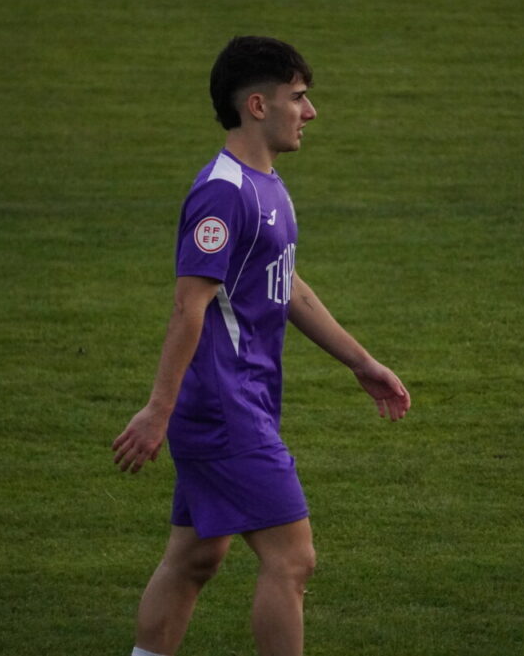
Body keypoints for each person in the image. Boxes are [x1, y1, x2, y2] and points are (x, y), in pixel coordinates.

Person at [112, 36, 410, 656]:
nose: (311, 111)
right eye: (298, 97)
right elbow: (187, 306)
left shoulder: (266, 185)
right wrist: (158, 409)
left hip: (238, 400)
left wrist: (361, 361)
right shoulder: (223, 192)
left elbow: (287, 285)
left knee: (196, 557)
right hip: (225, 408)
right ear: (256, 105)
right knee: (293, 560)